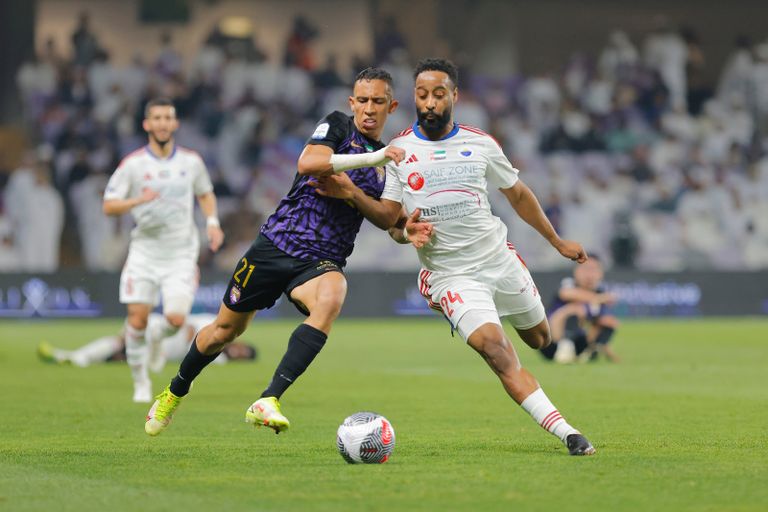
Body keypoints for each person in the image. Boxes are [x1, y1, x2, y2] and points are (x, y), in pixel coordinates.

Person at [312, 58, 596, 455]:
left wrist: (557, 242)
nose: (429, 103)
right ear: (414, 98)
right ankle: (569, 433)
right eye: (422, 95)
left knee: (539, 339)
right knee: (495, 349)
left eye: (438, 94)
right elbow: (392, 221)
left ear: (454, 96)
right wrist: (394, 223)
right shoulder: (400, 152)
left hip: (498, 259)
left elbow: (518, 194)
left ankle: (531, 331)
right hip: (451, 275)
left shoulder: (481, 143)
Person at [144, 68, 431, 437]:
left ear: (391, 106)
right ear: (352, 102)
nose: (369, 108)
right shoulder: (339, 126)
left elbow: (389, 219)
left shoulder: (390, 162)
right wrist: (372, 160)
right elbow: (308, 163)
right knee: (223, 332)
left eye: (378, 101)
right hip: (276, 244)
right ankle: (175, 390)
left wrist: (403, 230)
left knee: (332, 295)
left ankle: (268, 399)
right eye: (362, 100)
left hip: (321, 260)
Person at [103, 98, 224, 403]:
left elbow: (205, 194)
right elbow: (109, 205)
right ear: (147, 124)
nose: (162, 123)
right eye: (156, 118)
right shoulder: (133, 164)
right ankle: (140, 382)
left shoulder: (190, 162)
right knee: (137, 320)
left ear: (175, 123)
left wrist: (212, 222)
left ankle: (157, 337)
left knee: (175, 320)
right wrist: (137, 200)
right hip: (145, 250)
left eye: (167, 118)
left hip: (180, 252)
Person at [36, 313, 257, 368]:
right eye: (243, 350)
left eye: (242, 357)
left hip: (163, 351)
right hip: (162, 329)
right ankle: (76, 357)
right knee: (123, 340)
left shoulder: (218, 359)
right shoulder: (213, 322)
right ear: (240, 343)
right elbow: (190, 325)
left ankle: (75, 357)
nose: (238, 353)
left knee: (123, 347)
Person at [540, 255, 620, 363]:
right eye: (586, 269)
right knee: (575, 309)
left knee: (608, 321)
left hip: (580, 340)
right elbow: (566, 293)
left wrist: (608, 351)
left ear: (601, 273)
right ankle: (565, 346)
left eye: (594, 269)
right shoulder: (569, 284)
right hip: (551, 341)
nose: (589, 275)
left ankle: (589, 352)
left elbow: (603, 321)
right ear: (576, 271)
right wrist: (598, 298)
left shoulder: (600, 292)